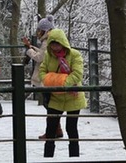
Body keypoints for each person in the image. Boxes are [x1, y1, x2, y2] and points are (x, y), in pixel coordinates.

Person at [38, 28, 87, 158]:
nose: (55, 46)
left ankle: (74, 156)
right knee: (50, 129)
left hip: (73, 97)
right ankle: (48, 157)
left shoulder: (74, 55)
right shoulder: (49, 56)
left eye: (57, 43)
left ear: (63, 42)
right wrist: (50, 80)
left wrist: (64, 84)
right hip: (55, 97)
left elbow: (77, 74)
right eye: (52, 43)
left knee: (71, 128)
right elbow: (42, 71)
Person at [23, 15, 63, 139]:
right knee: (50, 105)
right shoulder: (50, 41)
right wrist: (31, 47)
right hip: (51, 76)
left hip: (46, 77)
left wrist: (29, 51)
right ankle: (57, 129)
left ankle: (52, 131)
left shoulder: (47, 42)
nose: (38, 32)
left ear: (44, 30)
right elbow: (43, 53)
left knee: (49, 105)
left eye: (39, 30)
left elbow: (40, 57)